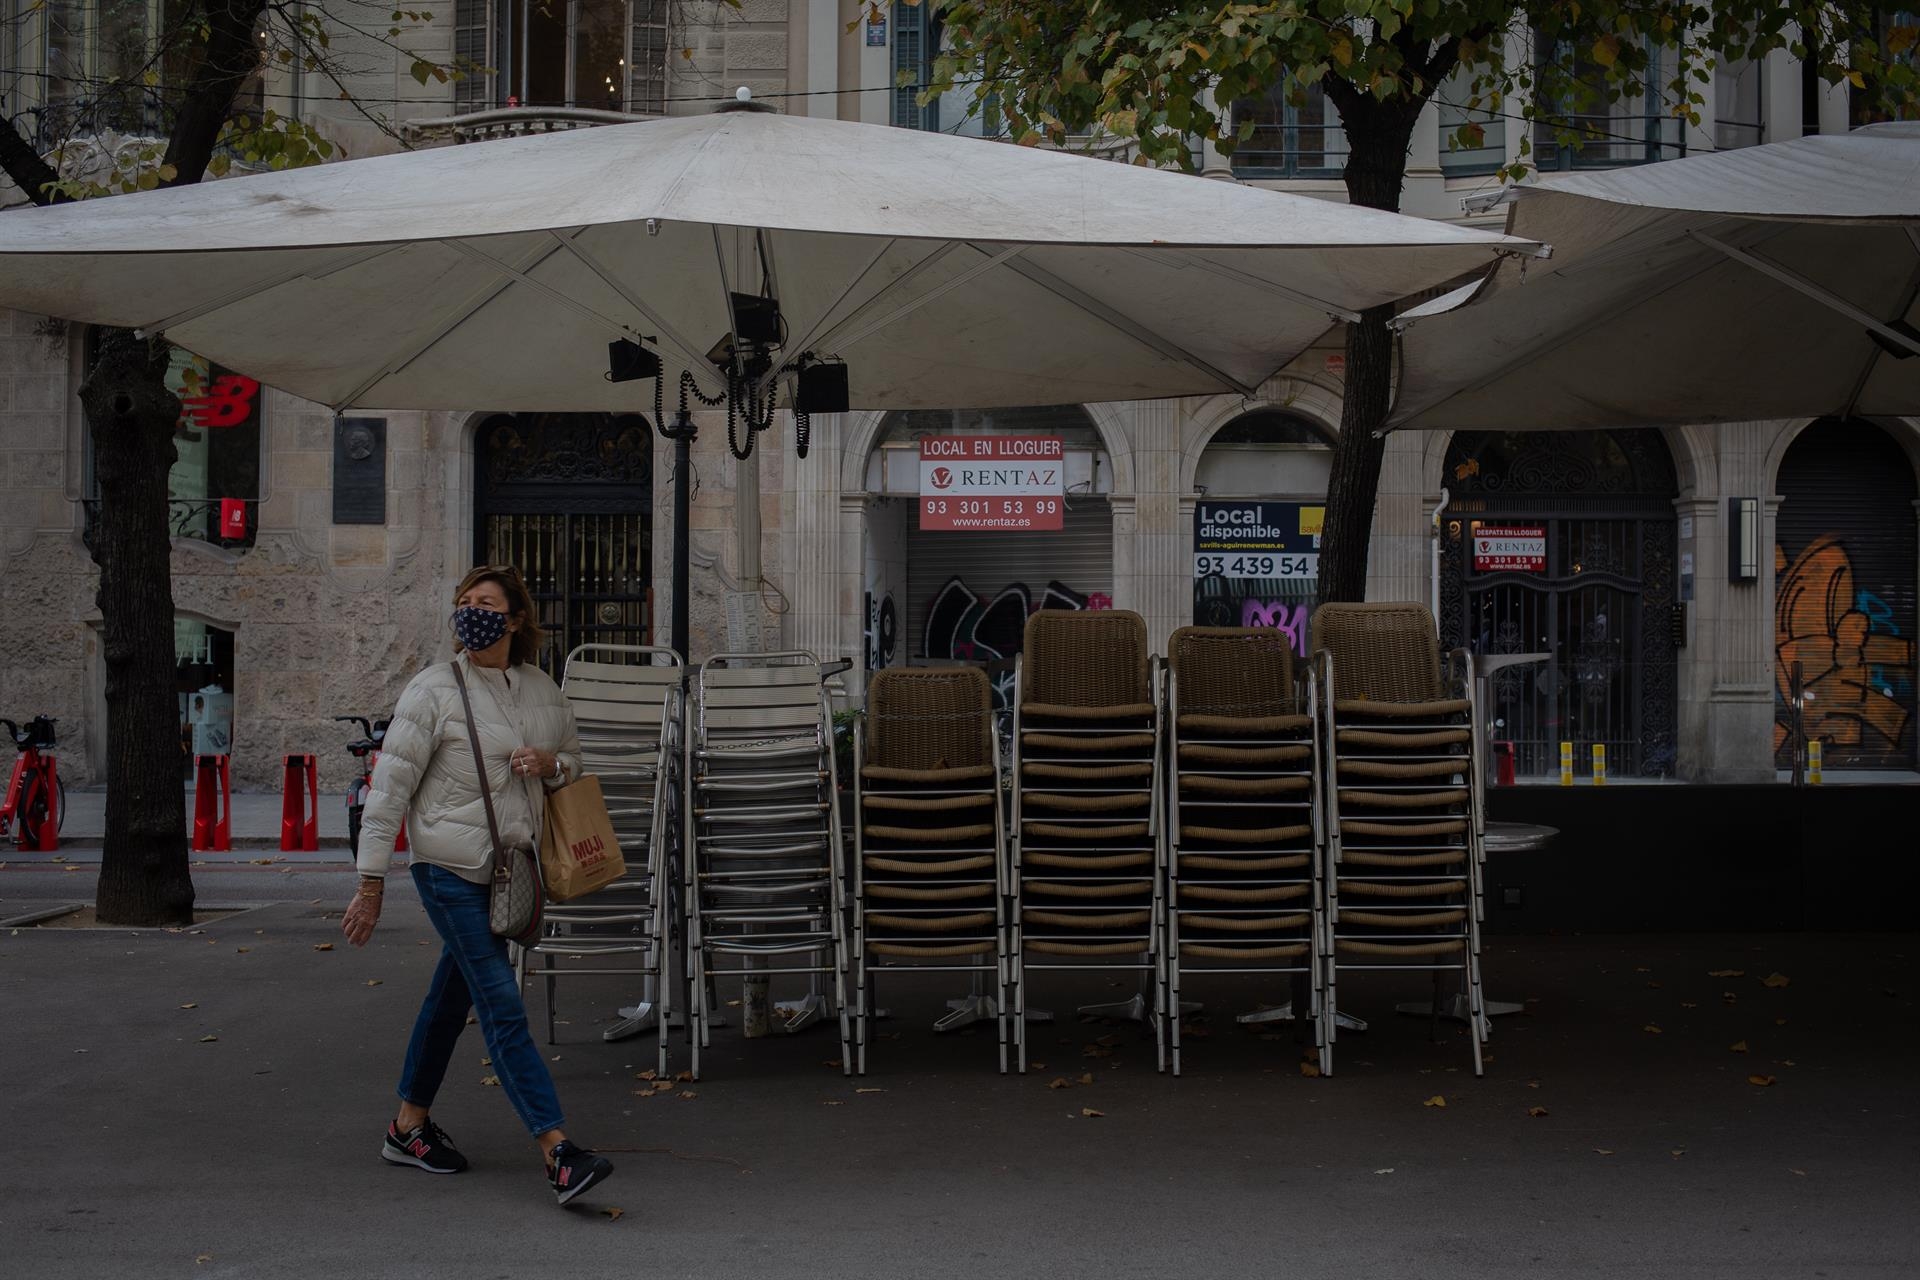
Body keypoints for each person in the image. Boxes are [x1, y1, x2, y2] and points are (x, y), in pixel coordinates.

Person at [340, 564, 614, 1206]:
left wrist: (551, 763)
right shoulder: (432, 690)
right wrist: (370, 882)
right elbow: (389, 789)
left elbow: (576, 761)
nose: (472, 612)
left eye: (486, 603)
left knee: (449, 998)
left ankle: (407, 1128)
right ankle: (558, 1152)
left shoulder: (543, 690)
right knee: (499, 1000)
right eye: (464, 602)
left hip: (508, 870)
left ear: (515, 618)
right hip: (447, 867)